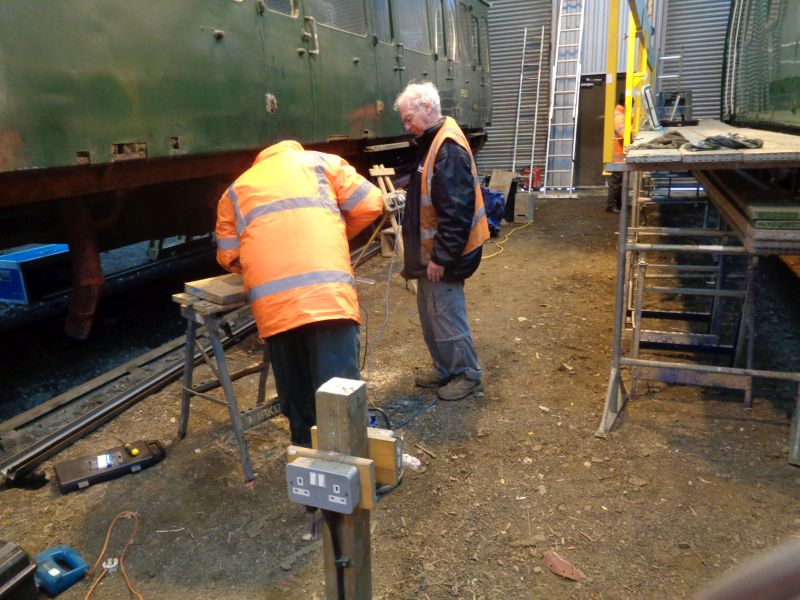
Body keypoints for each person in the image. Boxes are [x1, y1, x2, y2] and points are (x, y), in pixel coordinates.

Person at [215, 140, 383, 446]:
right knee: (339, 388)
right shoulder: (324, 163)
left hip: (276, 307)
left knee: (296, 389)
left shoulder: (236, 190)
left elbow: (229, 255)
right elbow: (372, 204)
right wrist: (337, 235)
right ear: (295, 149)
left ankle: (307, 457)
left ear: (260, 160)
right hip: (328, 297)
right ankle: (348, 462)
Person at [393, 81, 490, 401]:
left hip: (447, 255)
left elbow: (456, 212)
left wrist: (441, 258)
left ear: (427, 109)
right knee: (431, 313)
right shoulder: (433, 139)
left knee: (446, 314)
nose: (406, 125)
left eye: (409, 118)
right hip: (432, 253)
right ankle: (445, 369)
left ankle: (468, 374)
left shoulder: (447, 148)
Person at [606, 92, 626, 213]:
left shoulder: (622, 114)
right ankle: (611, 205)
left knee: (619, 182)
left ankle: (618, 204)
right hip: (618, 156)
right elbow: (624, 134)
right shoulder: (619, 117)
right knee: (616, 182)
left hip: (620, 155)